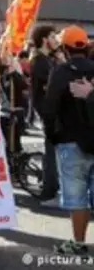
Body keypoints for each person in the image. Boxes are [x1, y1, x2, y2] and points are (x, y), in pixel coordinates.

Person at [42, 26, 94, 256]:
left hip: (70, 141)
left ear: (65, 47)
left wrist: (51, 135)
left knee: (77, 198)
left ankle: (79, 243)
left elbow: (50, 107)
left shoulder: (61, 71)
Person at [30, 24, 60, 203]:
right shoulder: (40, 61)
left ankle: (51, 189)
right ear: (44, 40)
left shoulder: (48, 59)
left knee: (54, 152)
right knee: (51, 152)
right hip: (48, 112)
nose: (56, 40)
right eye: (53, 36)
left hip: (51, 111)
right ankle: (49, 192)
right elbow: (51, 86)